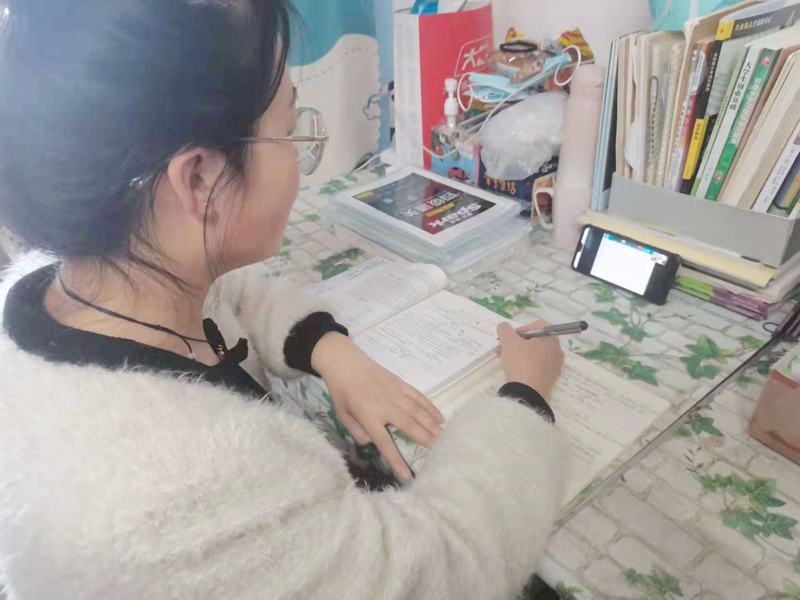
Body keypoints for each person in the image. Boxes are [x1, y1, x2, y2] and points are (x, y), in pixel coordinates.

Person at [0, 1, 567, 599]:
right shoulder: (199, 489)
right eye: (289, 129)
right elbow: (443, 567)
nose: (297, 152)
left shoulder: (64, 285)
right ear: (199, 179)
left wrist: (328, 349)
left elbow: (233, 290)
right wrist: (524, 398)